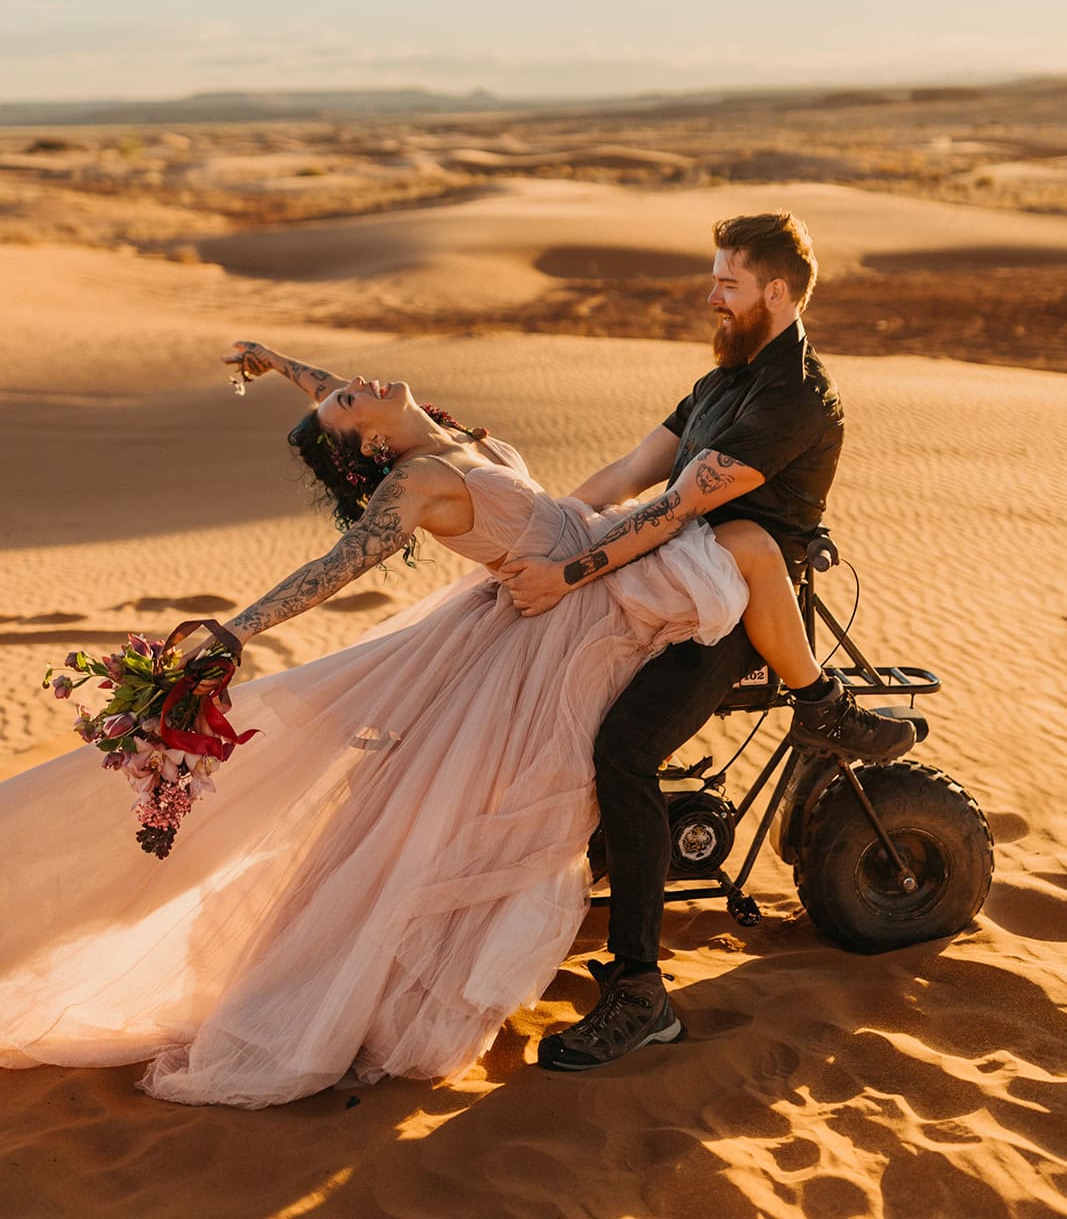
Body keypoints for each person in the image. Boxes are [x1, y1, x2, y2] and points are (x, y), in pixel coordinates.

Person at [2, 329, 849, 1109]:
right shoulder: (412, 481)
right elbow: (334, 565)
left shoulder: (429, 438)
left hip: (595, 565)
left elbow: (342, 392)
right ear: (370, 445)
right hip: (579, 612)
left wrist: (276, 363)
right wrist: (234, 630)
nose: (349, 382)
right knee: (721, 586)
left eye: (338, 388)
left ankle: (781, 732)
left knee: (716, 577)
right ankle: (798, 736)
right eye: (342, 401)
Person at [500, 210, 916, 1072]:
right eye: (713, 280)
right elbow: (628, 476)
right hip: (662, 580)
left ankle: (641, 993)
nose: (709, 296)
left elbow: (681, 505)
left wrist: (571, 573)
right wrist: (544, 534)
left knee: (623, 748)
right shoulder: (717, 381)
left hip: (736, 611)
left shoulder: (795, 394)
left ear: (775, 291)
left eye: (726, 284)